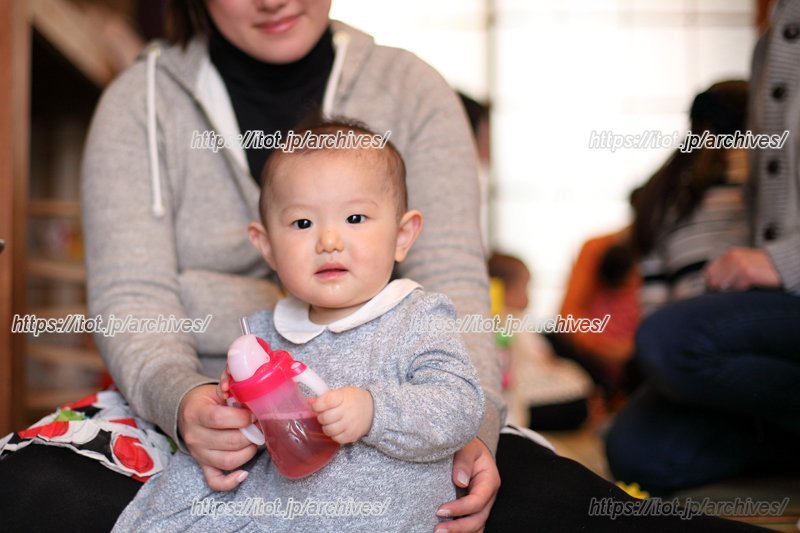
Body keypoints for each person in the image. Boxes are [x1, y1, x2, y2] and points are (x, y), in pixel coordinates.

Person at [0, 2, 503, 531]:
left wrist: (471, 430)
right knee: (31, 488)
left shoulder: (412, 88)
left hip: (402, 403)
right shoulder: (141, 101)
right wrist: (186, 402)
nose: (273, 0)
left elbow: (454, 281)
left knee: (553, 506)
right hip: (210, 411)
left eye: (355, 218)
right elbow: (132, 296)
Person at [112, 120, 484, 531]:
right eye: (303, 224)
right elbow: (251, 432)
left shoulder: (418, 318)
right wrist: (235, 408)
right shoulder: (262, 335)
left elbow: (460, 404)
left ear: (402, 235)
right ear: (267, 246)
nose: (328, 241)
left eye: (355, 217)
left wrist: (375, 411)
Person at [606, 1, 800, 496]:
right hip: (718, 352)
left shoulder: (682, 190)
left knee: (667, 341)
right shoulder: (671, 196)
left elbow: (658, 311)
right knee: (632, 448)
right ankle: (775, 435)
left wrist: (777, 262)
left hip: (727, 333)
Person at [631, 80, 750, 318]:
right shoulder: (751, 179)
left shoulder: (662, 192)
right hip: (743, 317)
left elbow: (653, 301)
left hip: (683, 327)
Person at [488, 252, 592, 431]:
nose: (529, 295)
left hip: (516, 391)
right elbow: (542, 356)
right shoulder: (512, 318)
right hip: (527, 394)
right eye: (525, 287)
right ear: (504, 289)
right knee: (577, 398)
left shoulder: (488, 318)